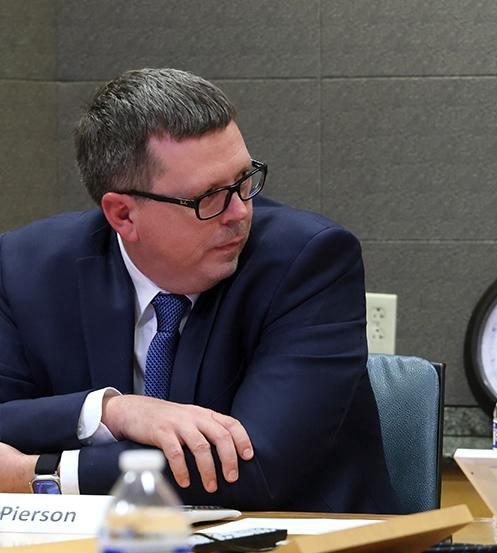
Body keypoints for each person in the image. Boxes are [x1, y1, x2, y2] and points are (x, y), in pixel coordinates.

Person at [0, 68, 397, 513]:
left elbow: (253, 467)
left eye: (245, 179)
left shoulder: (309, 261)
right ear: (123, 215)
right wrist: (111, 411)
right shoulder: (24, 269)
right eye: (208, 197)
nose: (239, 211)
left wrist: (40, 475)